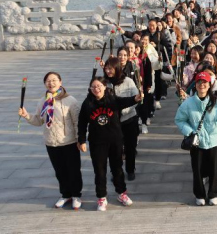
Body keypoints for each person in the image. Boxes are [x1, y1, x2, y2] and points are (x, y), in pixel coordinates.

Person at [18, 72, 82, 210]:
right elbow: (39, 120)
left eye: (54, 80)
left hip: (69, 141)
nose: (51, 83)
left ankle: (76, 194)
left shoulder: (70, 100)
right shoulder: (43, 101)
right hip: (51, 142)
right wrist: (26, 115)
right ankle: (66, 194)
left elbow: (78, 122)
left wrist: (80, 140)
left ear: (60, 82)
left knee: (73, 170)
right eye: (48, 81)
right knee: (59, 171)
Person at [78, 77, 141, 211]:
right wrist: (81, 140)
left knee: (117, 168)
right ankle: (101, 197)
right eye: (93, 87)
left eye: (99, 86)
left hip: (115, 140)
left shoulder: (112, 99)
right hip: (97, 142)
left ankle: (121, 193)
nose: (97, 89)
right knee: (99, 171)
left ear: (105, 86)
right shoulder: (87, 103)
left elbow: (126, 101)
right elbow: (82, 123)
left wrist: (136, 98)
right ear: (90, 89)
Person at [175, 72, 217, 206]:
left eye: (205, 83)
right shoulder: (188, 103)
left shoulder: (215, 101)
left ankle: (213, 194)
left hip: (214, 141)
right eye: (199, 82)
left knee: (214, 169)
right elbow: (179, 120)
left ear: (209, 85)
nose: (202, 85)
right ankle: (199, 195)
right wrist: (190, 132)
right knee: (197, 169)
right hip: (197, 142)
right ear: (195, 85)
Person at [103, 57, 140, 180]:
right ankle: (117, 172)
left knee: (130, 147)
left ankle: (130, 169)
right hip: (111, 123)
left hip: (129, 119)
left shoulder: (128, 81)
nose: (108, 71)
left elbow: (136, 99)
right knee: (114, 150)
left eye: (111, 68)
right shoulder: (103, 83)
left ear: (117, 68)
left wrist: (124, 111)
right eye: (106, 68)